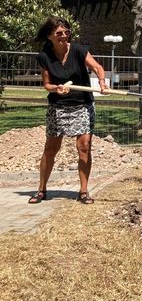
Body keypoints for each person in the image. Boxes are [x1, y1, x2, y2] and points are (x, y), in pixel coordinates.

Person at [30, 17, 108, 204]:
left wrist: (103, 82)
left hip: (82, 105)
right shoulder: (44, 56)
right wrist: (57, 88)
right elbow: (47, 84)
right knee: (51, 148)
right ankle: (41, 190)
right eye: (58, 33)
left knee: (84, 147)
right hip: (58, 107)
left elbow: (97, 67)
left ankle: (83, 191)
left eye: (66, 32)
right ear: (50, 36)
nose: (64, 36)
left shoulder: (79, 51)